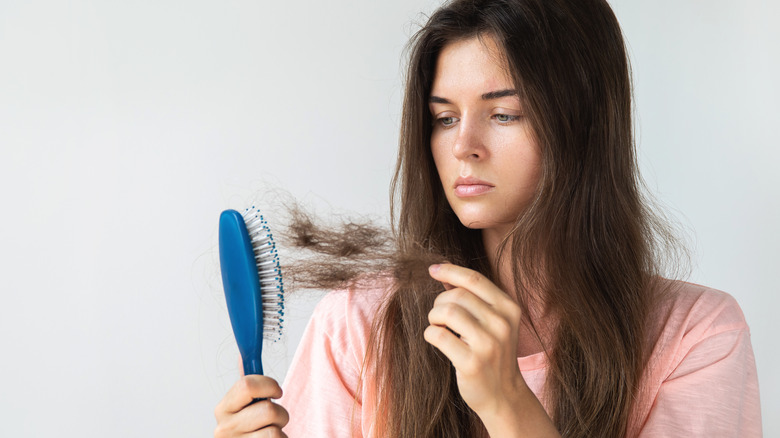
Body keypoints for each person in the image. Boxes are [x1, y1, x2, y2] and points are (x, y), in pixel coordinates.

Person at [214, 0, 762, 436]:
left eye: (503, 114)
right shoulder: (359, 324)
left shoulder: (696, 336)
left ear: (584, 123)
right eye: (444, 117)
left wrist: (507, 404)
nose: (463, 146)